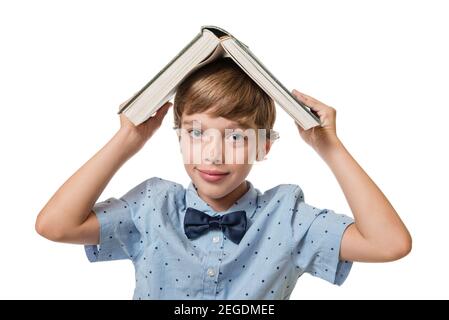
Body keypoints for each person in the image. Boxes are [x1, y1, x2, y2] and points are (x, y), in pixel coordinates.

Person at [36, 58, 412, 299]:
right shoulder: (152, 205)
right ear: (178, 137)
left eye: (235, 136)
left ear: (263, 147)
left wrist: (329, 146)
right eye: (196, 133)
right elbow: (55, 225)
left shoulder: (287, 217)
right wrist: (126, 141)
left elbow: (389, 244)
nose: (213, 154)